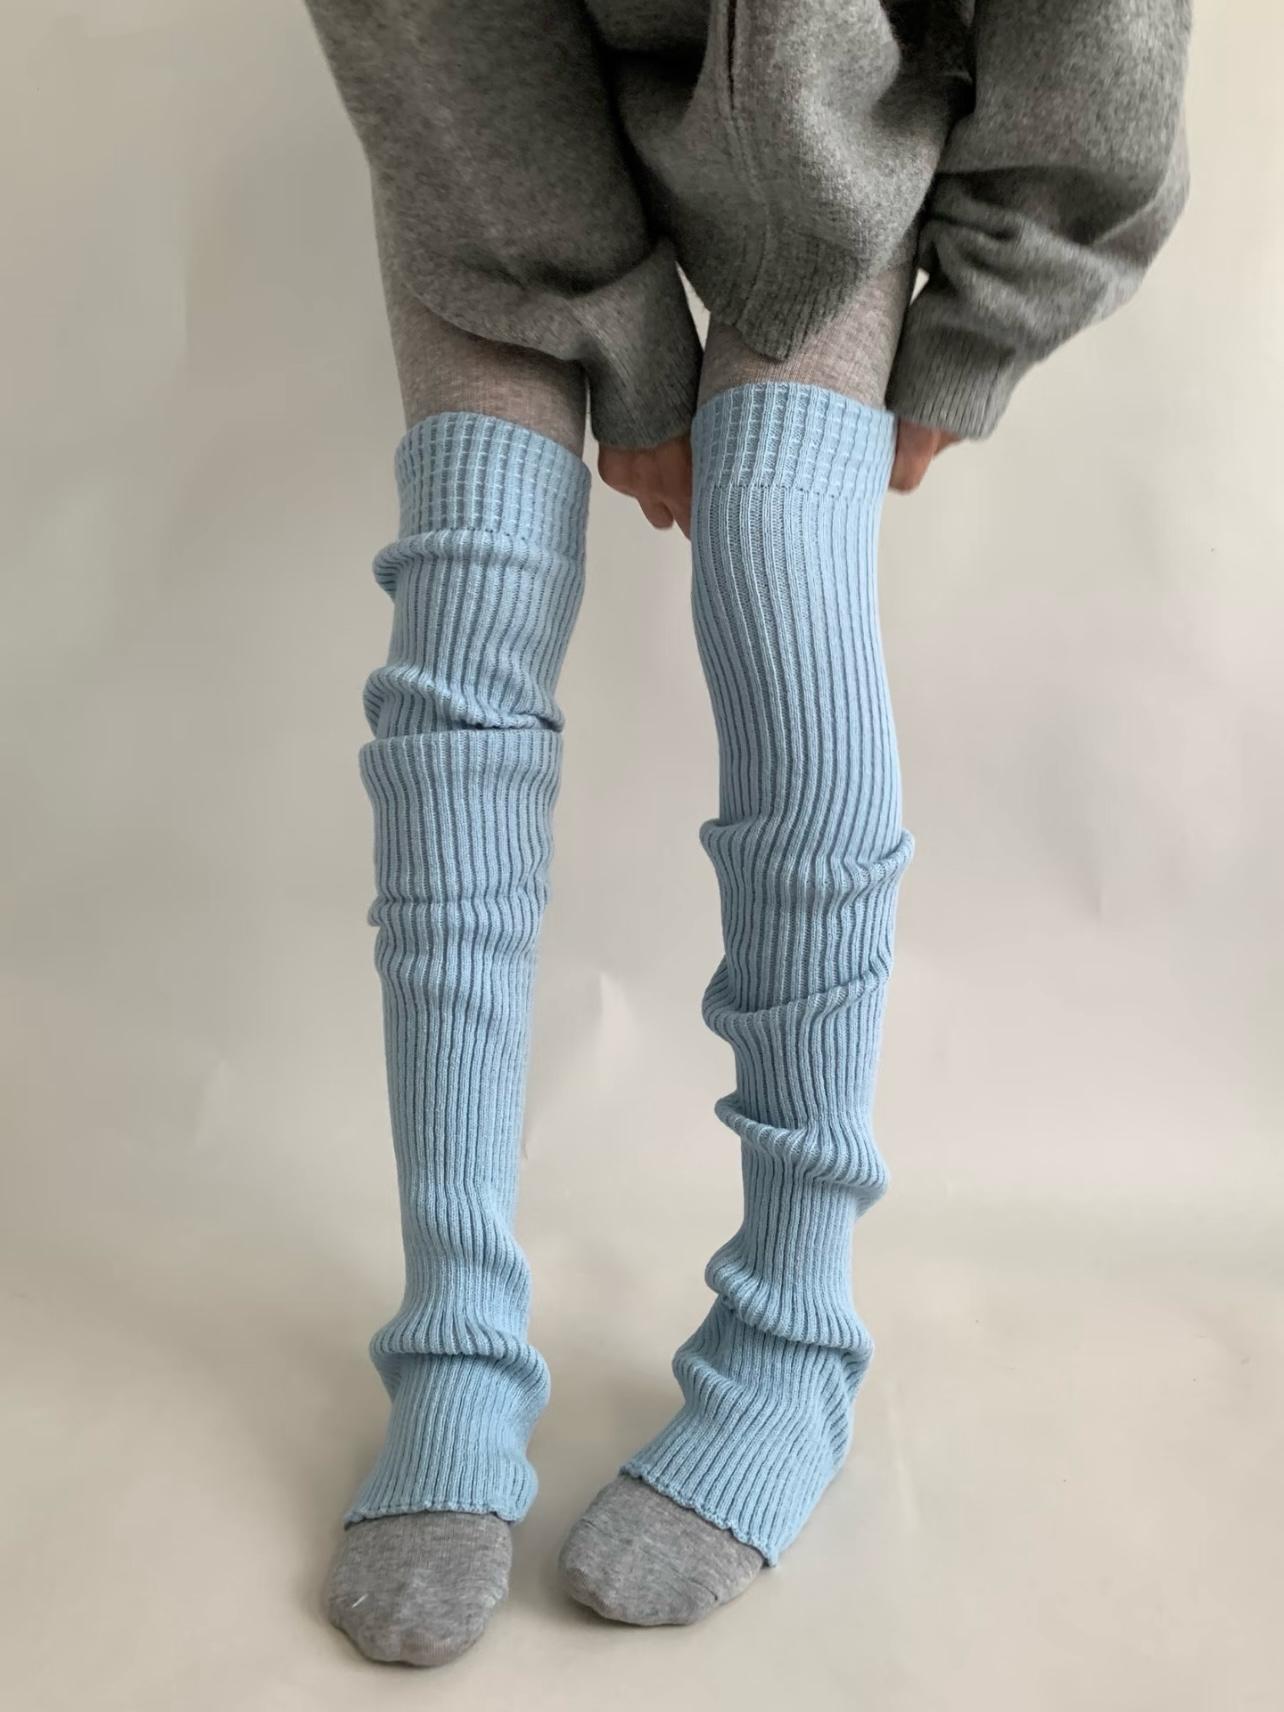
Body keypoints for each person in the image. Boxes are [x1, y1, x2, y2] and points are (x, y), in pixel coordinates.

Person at [300, 0, 1192, 1668]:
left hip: (829, 136)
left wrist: (986, 317)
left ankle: (793, 1335)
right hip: (486, 135)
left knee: (782, 580)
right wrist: (625, 341)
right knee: (465, 623)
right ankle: (453, 1351)